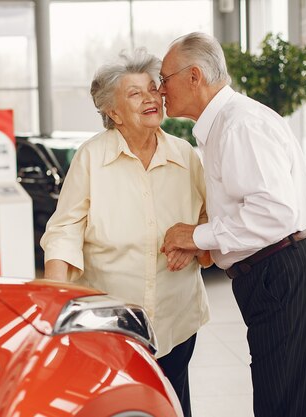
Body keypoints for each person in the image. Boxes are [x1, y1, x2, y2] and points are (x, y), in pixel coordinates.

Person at [159, 32, 306, 417]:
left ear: (194, 76)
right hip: (289, 267)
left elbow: (271, 213)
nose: (160, 91)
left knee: (286, 404)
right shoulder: (227, 123)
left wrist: (195, 236)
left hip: (285, 271)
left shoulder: (237, 125)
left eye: (164, 78)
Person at [40, 48, 211, 417]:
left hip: (174, 318)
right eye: (135, 93)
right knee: (119, 406)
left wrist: (195, 242)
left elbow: (212, 217)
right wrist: (54, 300)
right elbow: (65, 229)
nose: (150, 97)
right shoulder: (90, 159)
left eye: (153, 88)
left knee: (173, 403)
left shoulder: (186, 156)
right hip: (110, 323)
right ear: (113, 112)